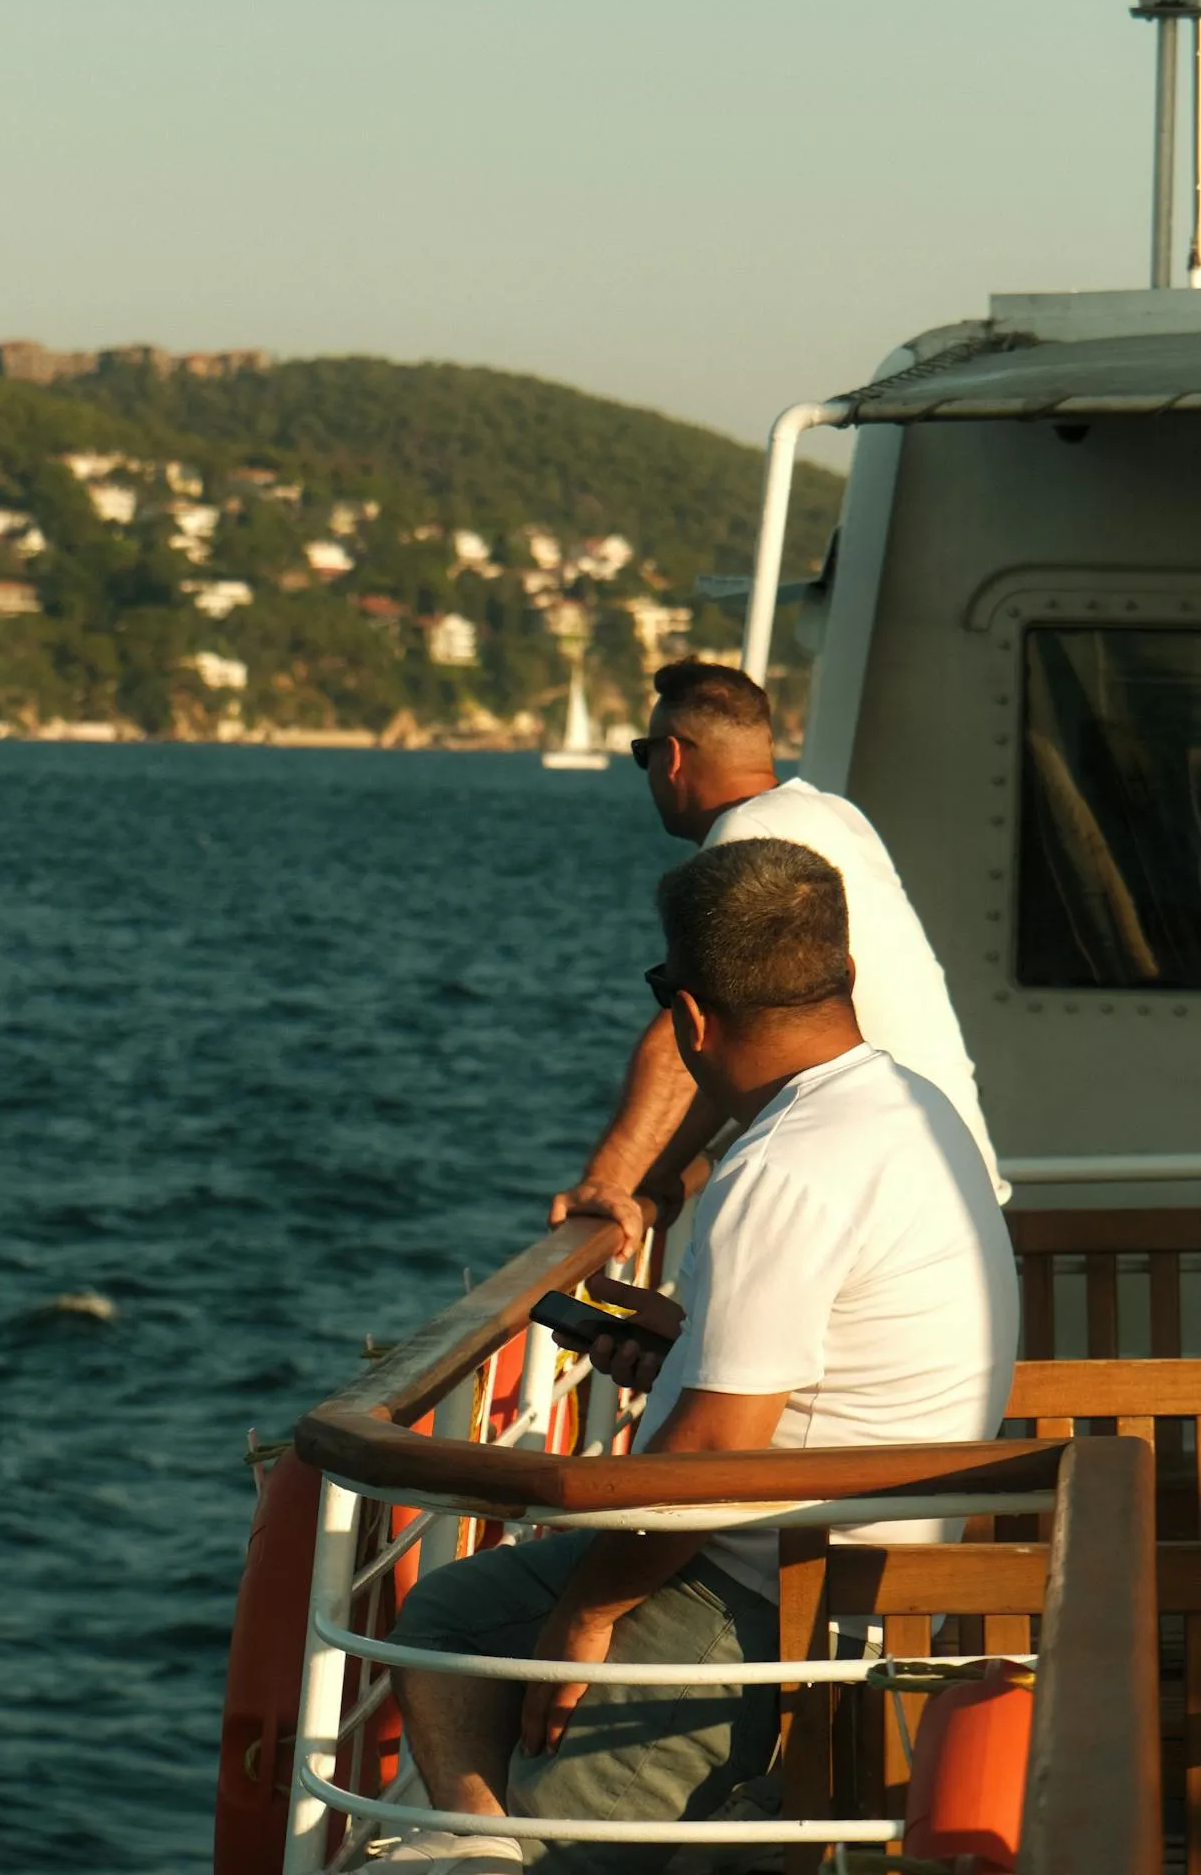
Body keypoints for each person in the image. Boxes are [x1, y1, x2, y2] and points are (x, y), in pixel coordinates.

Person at [387, 838, 1019, 1873]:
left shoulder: (784, 1166)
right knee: (450, 1613)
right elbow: (814, 1363)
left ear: (687, 1017)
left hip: (775, 1584)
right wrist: (682, 1346)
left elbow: (714, 1451)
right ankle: (487, 1846)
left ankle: (544, 1851)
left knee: (574, 1831)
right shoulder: (907, 1109)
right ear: (841, 978)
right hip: (859, 1555)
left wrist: (591, 1614)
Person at [550, 659, 1005, 1257]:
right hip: (948, 1179)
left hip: (883, 1193)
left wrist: (605, 1184)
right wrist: (660, 1169)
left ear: (674, 757)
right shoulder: (831, 816)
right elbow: (744, 1040)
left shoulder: (751, 837)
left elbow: (690, 1033)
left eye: (644, 753)